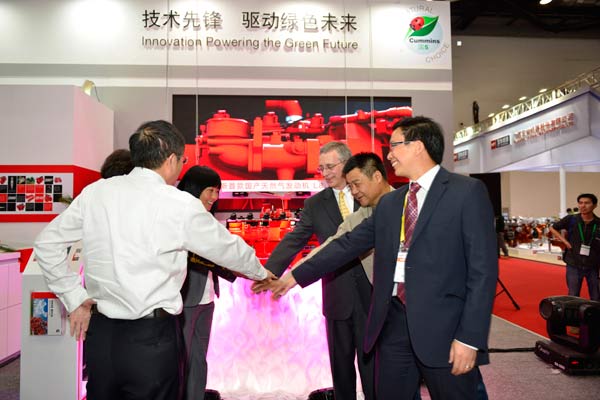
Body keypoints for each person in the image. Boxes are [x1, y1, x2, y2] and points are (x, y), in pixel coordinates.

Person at [33, 120, 275, 400]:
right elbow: (228, 249)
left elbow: (46, 244)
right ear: (171, 159)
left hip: (102, 337)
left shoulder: (96, 193)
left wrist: (74, 297)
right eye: (182, 161)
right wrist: (261, 273)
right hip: (153, 340)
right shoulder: (179, 203)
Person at [265, 116, 498, 400]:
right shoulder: (391, 203)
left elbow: (482, 272)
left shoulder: (466, 192)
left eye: (395, 145)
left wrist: (470, 338)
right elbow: (347, 244)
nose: (389, 155)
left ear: (418, 146)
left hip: (444, 328)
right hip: (394, 324)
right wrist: (294, 276)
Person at [255, 141, 375, 400]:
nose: (325, 173)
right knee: (341, 369)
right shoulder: (316, 204)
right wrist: (268, 271)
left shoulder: (368, 194)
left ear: (347, 162)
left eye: (330, 166)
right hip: (337, 296)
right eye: (322, 168)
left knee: (374, 368)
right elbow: (295, 239)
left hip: (372, 295)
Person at [177, 166, 237, 400]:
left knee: (198, 359)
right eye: (210, 190)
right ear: (194, 189)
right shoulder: (181, 217)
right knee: (181, 360)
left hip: (206, 299)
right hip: (185, 300)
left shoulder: (208, 218)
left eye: (217, 191)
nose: (214, 196)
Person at [549, 193, 600, 301]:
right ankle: (573, 312)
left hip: (593, 265)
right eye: (580, 203)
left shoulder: (598, 223)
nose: (583, 206)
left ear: (595, 205)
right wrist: (564, 241)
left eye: (587, 203)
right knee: (573, 295)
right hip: (573, 264)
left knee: (596, 296)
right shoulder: (571, 219)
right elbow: (553, 228)